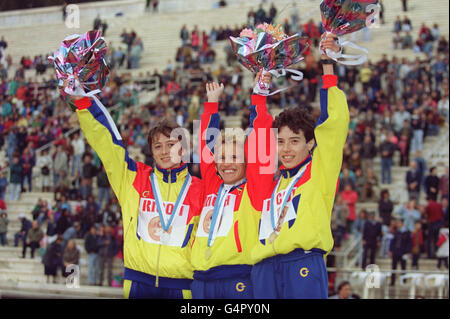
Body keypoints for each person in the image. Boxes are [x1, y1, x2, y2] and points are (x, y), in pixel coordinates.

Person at [70, 82, 204, 298]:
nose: (164, 151)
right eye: (157, 146)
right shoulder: (133, 178)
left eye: (171, 144)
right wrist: (83, 102)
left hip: (182, 285)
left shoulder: (200, 188)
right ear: (151, 151)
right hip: (138, 282)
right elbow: (106, 142)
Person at [250, 34, 349, 299]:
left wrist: (327, 67)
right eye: (280, 142)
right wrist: (259, 96)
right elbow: (258, 139)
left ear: (311, 145)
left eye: (295, 141)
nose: (286, 149)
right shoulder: (272, 182)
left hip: (302, 265)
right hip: (264, 268)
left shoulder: (319, 172)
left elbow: (334, 125)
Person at [190, 73, 274, 299]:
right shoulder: (212, 185)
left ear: (247, 162)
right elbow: (206, 144)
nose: (228, 163)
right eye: (223, 157)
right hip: (200, 279)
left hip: (237, 279)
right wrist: (212, 104)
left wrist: (259, 97)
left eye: (236, 157)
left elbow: (261, 139)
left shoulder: (253, 191)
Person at [390, 219, 412, 286]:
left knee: (403, 267)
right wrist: (391, 250)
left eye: (399, 223)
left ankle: (403, 282)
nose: (398, 224)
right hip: (396, 252)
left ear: (402, 223)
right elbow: (393, 242)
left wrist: (408, 252)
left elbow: (409, 243)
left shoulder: (407, 232)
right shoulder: (397, 232)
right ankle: (392, 282)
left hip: (403, 252)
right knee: (393, 267)